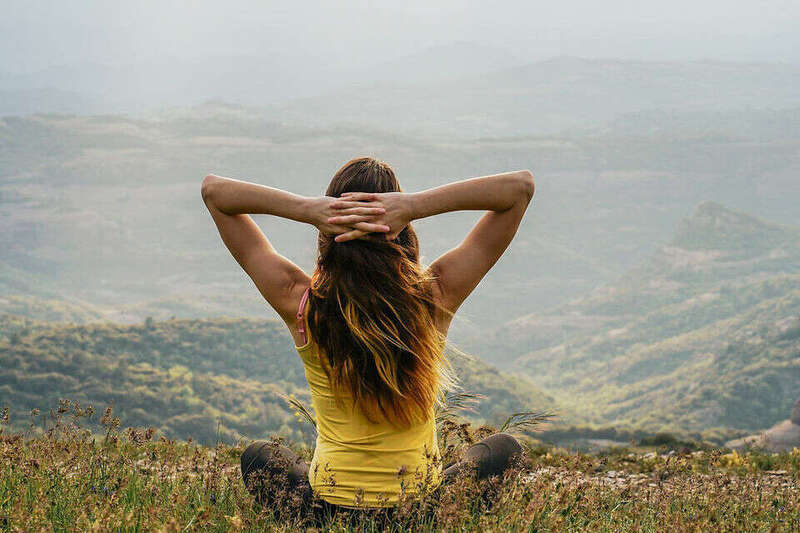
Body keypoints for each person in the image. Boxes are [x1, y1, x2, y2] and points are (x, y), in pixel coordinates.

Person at [201, 157, 534, 517]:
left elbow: (215, 192)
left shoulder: (300, 302)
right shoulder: (435, 297)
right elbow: (519, 189)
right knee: (504, 449)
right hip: (419, 514)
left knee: (260, 456)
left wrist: (308, 210)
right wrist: (414, 206)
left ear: (327, 230)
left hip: (325, 511)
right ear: (400, 228)